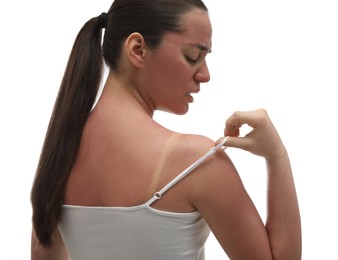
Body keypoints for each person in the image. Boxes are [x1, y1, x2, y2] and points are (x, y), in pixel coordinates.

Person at [30, 0, 302, 259]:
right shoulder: (195, 161)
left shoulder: (59, 157)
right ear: (137, 49)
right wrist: (276, 156)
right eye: (193, 56)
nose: (205, 75)